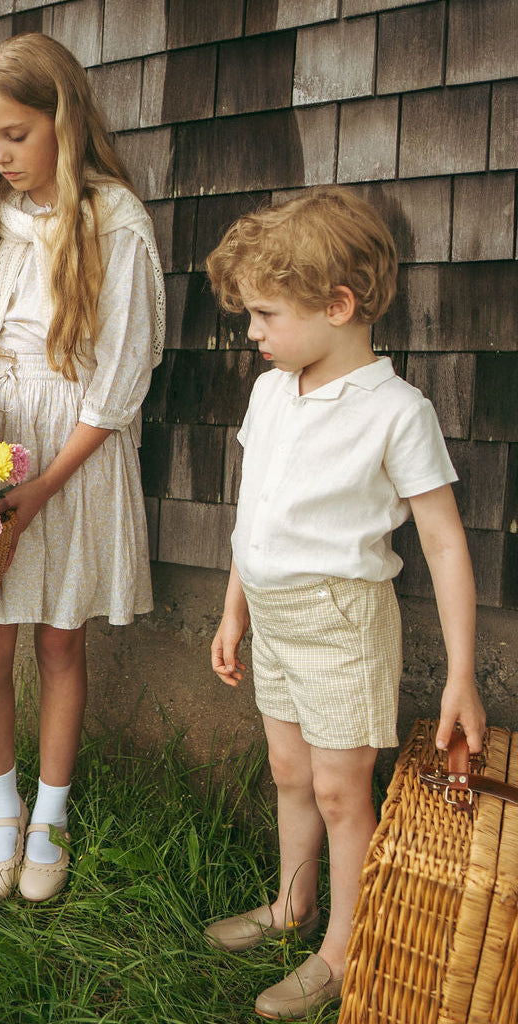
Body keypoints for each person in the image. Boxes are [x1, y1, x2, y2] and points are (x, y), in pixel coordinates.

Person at [203, 186, 486, 1020]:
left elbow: (442, 542)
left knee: (339, 790)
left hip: (340, 623)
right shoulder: (270, 393)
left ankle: (341, 950)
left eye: (265, 314)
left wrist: (460, 673)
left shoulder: (395, 412)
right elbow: (252, 513)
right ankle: (294, 906)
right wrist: (232, 609)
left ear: (338, 304)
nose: (252, 332)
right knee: (289, 771)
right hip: (274, 613)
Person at [0, 33, 165, 903]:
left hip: (71, 451)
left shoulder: (115, 222)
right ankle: (1, 809)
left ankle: (51, 817)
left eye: (16, 135)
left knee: (60, 639)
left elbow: (117, 387)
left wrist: (41, 490)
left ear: (63, 120)